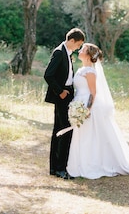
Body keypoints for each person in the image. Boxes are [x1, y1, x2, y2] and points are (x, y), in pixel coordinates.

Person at [66, 43, 129, 179]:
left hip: (88, 107)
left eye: (82, 49)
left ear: (89, 55)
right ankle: (79, 163)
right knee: (82, 135)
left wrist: (87, 109)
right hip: (78, 103)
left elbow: (93, 93)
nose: (79, 51)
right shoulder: (81, 69)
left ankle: (94, 164)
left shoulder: (90, 72)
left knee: (90, 137)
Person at [44, 28, 85, 180]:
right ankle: (60, 169)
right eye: (78, 45)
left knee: (60, 131)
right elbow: (48, 74)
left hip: (67, 94)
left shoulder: (67, 53)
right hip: (61, 96)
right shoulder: (59, 52)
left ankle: (55, 168)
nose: (78, 48)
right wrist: (60, 91)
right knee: (64, 131)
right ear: (72, 40)